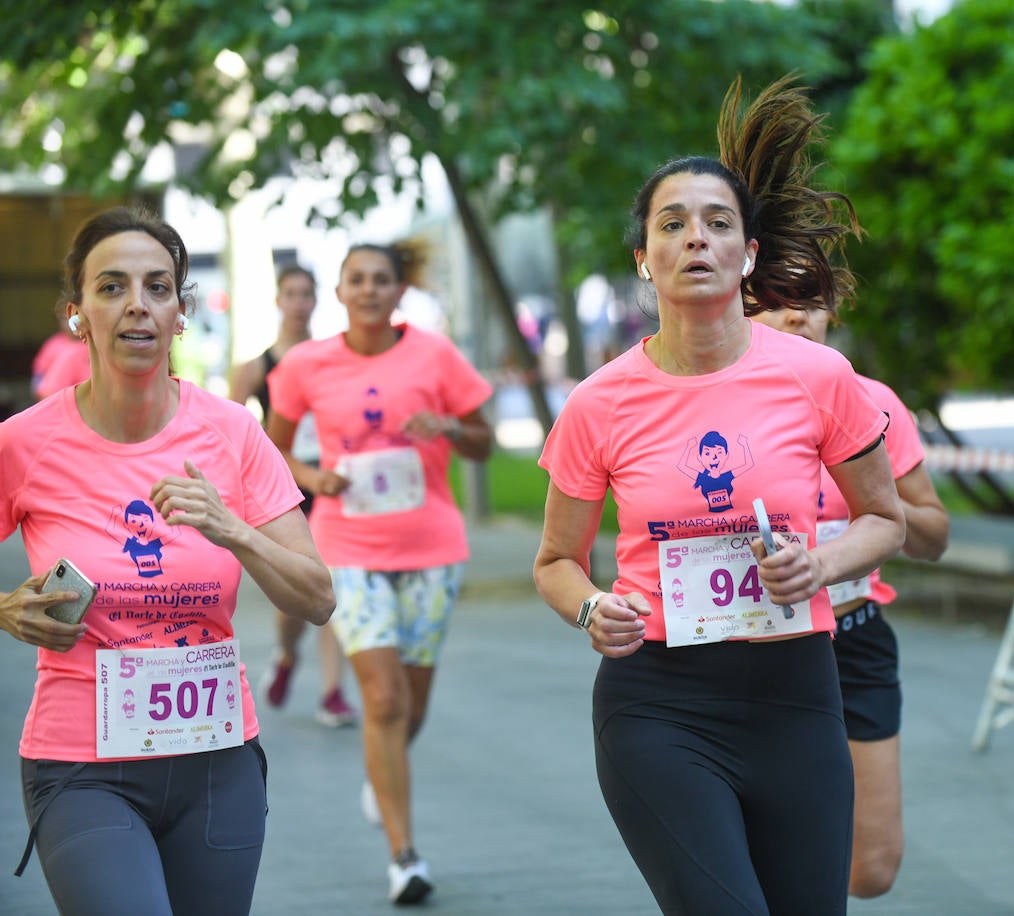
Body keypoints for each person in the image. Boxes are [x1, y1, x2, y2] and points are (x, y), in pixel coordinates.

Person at [532, 75, 906, 915]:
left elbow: (887, 519)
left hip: (798, 698)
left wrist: (822, 563)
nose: (695, 239)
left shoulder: (820, 378)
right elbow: (557, 561)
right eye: (672, 224)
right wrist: (592, 609)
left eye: (717, 223)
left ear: (750, 255)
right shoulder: (599, 402)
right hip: (660, 705)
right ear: (644, 258)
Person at [0, 206, 335, 916]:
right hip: (83, 766)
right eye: (112, 287)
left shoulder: (233, 433)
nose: (137, 306)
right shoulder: (25, 444)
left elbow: (317, 597)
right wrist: (4, 608)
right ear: (77, 314)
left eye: (157, 288)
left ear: (181, 313)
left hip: (217, 764)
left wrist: (231, 528)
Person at [721, 78, 952, 898]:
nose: (794, 319)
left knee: (872, 870)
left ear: (831, 312)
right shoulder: (714, 407)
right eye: (772, 302)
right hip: (744, 645)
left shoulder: (875, 406)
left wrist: (872, 525)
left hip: (851, 638)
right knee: (759, 870)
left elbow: (930, 529)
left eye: (808, 303)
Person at [265, 242, 495, 906]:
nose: (369, 290)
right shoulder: (309, 364)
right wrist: (314, 477)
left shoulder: (435, 355)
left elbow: (480, 439)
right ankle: (405, 856)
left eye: (381, 281)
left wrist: (448, 425)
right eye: (356, 280)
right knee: (384, 699)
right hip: (349, 547)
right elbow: (274, 448)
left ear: (400, 292)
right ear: (339, 293)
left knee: (410, 705)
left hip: (431, 547)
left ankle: (382, 767)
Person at [228, 264, 356, 728]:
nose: (300, 302)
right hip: (280, 487)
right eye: (292, 294)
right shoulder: (255, 368)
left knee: (332, 586)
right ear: (279, 301)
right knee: (294, 598)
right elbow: (232, 433)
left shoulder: (332, 360)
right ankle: (286, 654)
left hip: (330, 481)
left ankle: (332, 693)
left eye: (307, 294)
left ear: (316, 300)